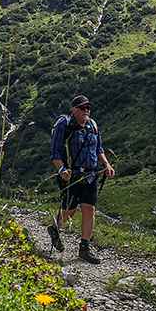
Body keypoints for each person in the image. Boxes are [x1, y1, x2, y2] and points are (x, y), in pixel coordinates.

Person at [48, 95, 115, 264]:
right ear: (74, 110)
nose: (87, 111)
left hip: (90, 176)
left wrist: (106, 165)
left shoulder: (93, 126)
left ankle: (84, 248)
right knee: (70, 211)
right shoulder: (66, 125)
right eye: (83, 107)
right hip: (71, 176)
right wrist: (62, 169)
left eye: (88, 108)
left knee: (89, 209)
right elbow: (55, 151)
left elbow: (99, 148)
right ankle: (55, 228)